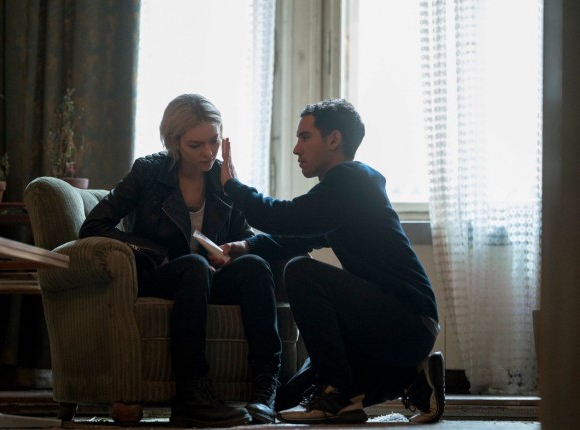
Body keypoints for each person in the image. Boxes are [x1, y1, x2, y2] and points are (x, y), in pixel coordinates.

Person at [218, 98, 445, 424]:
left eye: (305, 137)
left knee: (301, 271)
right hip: (388, 328)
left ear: (334, 139)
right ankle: (412, 378)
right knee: (287, 400)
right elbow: (295, 237)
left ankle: (336, 393)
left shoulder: (350, 180)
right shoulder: (342, 195)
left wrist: (232, 186)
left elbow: (285, 217)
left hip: (407, 319)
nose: (296, 149)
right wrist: (245, 245)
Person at [79, 94, 282, 427]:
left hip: (205, 279)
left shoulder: (222, 178)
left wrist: (234, 249)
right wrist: (156, 254)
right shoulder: (148, 172)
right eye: (196, 145)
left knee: (255, 267)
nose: (208, 152)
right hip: (159, 275)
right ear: (173, 142)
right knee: (193, 266)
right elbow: (93, 227)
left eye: (214, 141)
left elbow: (246, 236)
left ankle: (265, 390)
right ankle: (192, 397)